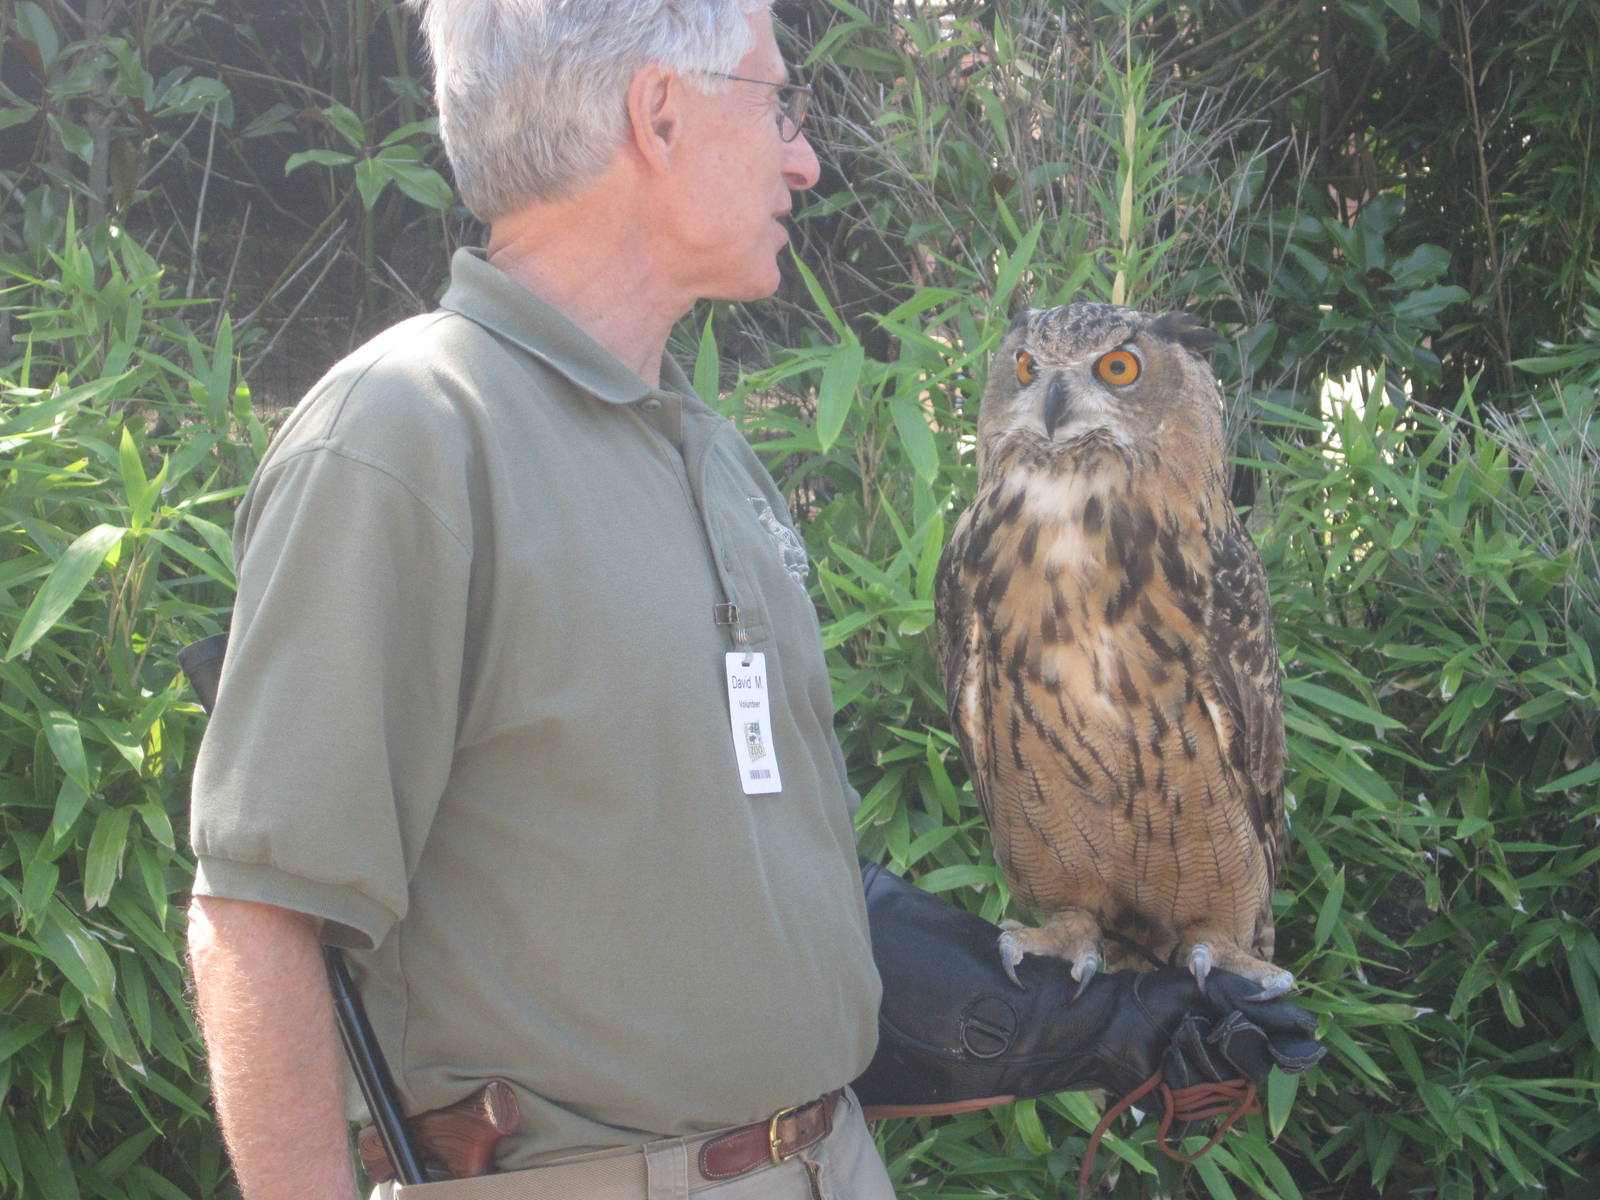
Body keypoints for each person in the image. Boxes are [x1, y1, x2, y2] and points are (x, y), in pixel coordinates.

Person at [186, 3, 1321, 1198]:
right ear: (659, 114)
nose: (803, 155)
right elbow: (257, 920)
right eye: (777, 102)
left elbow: (753, 881)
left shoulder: (706, 453)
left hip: (823, 1162)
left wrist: (1070, 1018)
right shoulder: (407, 435)